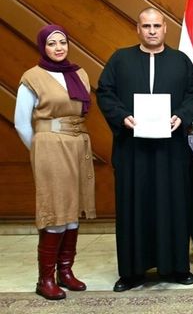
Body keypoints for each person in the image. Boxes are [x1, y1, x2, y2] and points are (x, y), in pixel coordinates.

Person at [96, 7, 193, 292]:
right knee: (133, 205)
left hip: (171, 150)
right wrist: (122, 117)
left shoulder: (181, 61)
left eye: (156, 26)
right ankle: (132, 272)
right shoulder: (120, 59)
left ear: (165, 28)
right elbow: (105, 92)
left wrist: (181, 115)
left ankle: (176, 267)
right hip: (133, 150)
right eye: (146, 26)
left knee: (174, 204)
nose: (152, 31)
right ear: (138, 29)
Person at [14, 25, 96, 300]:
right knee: (55, 210)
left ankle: (66, 272)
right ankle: (45, 279)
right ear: (43, 47)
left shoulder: (78, 73)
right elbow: (21, 122)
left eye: (62, 42)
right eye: (52, 43)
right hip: (50, 145)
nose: (59, 47)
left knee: (72, 210)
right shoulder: (32, 77)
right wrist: (41, 148)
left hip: (77, 143)